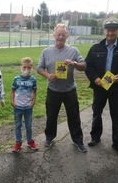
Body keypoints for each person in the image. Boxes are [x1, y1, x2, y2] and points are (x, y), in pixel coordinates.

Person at [85, 17, 118, 156]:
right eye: (108, 30)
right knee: (97, 113)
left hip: (117, 88)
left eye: (113, 30)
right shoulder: (95, 48)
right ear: (104, 31)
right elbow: (88, 66)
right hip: (100, 87)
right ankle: (95, 137)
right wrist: (95, 78)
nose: (110, 33)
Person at [36, 23, 87, 153]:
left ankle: (78, 140)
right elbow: (39, 68)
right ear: (54, 35)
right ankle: (49, 137)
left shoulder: (73, 51)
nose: (60, 37)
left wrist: (74, 63)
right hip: (53, 90)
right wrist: (48, 75)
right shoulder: (46, 52)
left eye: (63, 35)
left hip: (70, 90)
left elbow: (83, 65)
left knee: (74, 116)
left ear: (67, 36)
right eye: (58, 34)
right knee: (51, 116)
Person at [10, 57, 38, 152]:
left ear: (32, 68)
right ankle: (18, 143)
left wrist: (33, 101)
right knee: (18, 125)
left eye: (29, 68)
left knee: (28, 125)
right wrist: (12, 101)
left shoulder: (33, 79)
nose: (26, 70)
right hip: (18, 107)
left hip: (28, 107)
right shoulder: (16, 79)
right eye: (24, 67)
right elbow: (12, 91)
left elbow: (34, 91)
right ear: (21, 67)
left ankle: (30, 141)